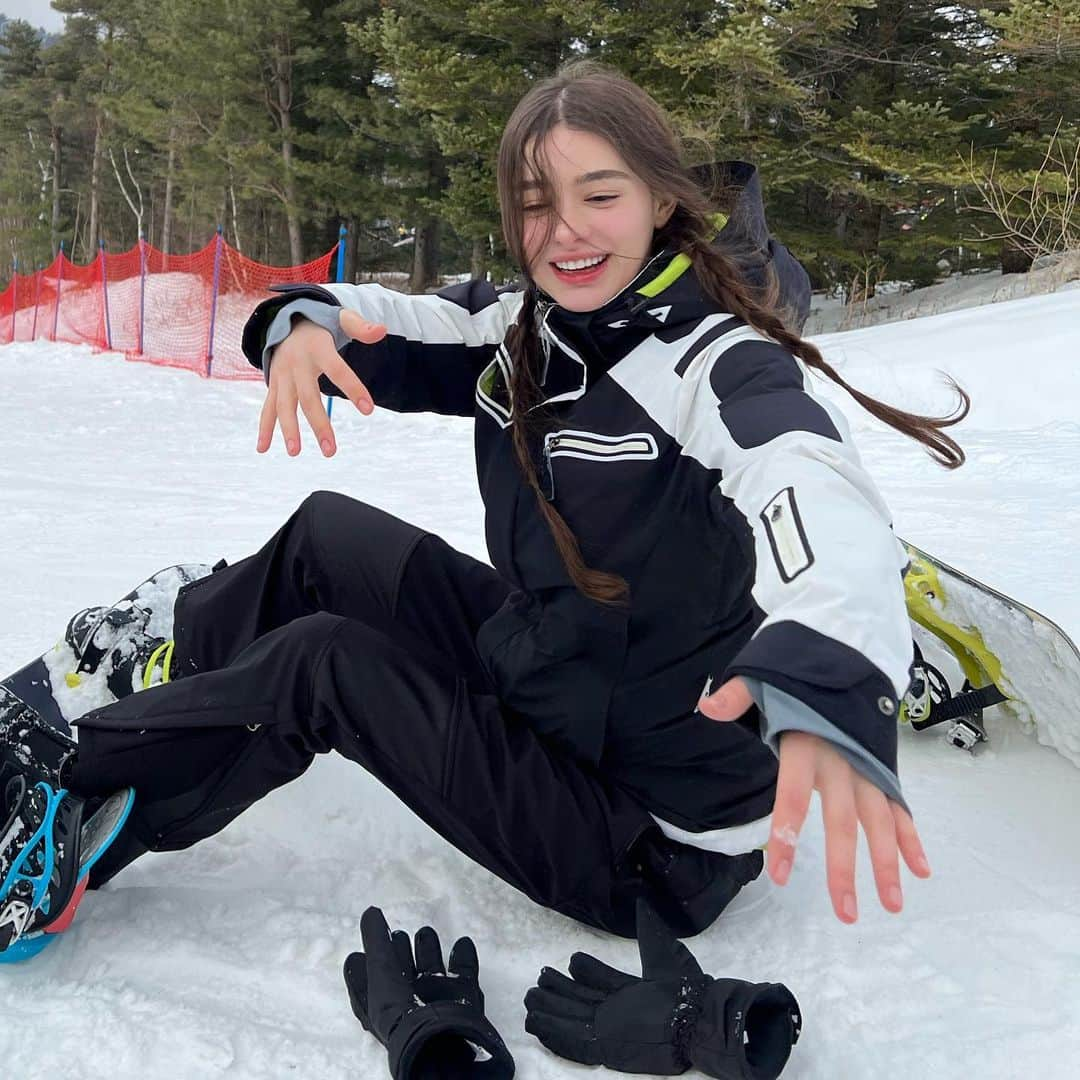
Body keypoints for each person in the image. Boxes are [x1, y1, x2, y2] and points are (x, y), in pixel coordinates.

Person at [0, 60, 968, 961]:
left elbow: (809, 476)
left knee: (324, 663)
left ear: (663, 199)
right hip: (553, 682)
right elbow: (383, 315)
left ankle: (66, 814)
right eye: (536, 204)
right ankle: (157, 679)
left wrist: (830, 660)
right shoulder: (526, 324)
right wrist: (300, 325)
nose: (566, 232)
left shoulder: (712, 361)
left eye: (600, 196)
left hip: (648, 838)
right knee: (329, 535)